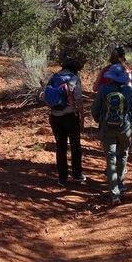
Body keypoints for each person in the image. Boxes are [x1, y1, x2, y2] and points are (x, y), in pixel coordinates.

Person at [90, 63, 132, 206]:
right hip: (125, 129)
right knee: (123, 155)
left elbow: (95, 109)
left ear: (110, 77)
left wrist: (100, 120)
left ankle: (114, 192)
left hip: (107, 130)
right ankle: (120, 183)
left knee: (110, 159)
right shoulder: (128, 91)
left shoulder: (104, 90)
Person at [46, 59, 85, 187]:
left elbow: (46, 98)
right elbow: (78, 99)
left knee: (61, 147)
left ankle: (62, 178)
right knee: (75, 145)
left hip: (54, 117)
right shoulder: (74, 79)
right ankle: (77, 174)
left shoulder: (53, 78)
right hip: (70, 116)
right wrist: (82, 116)